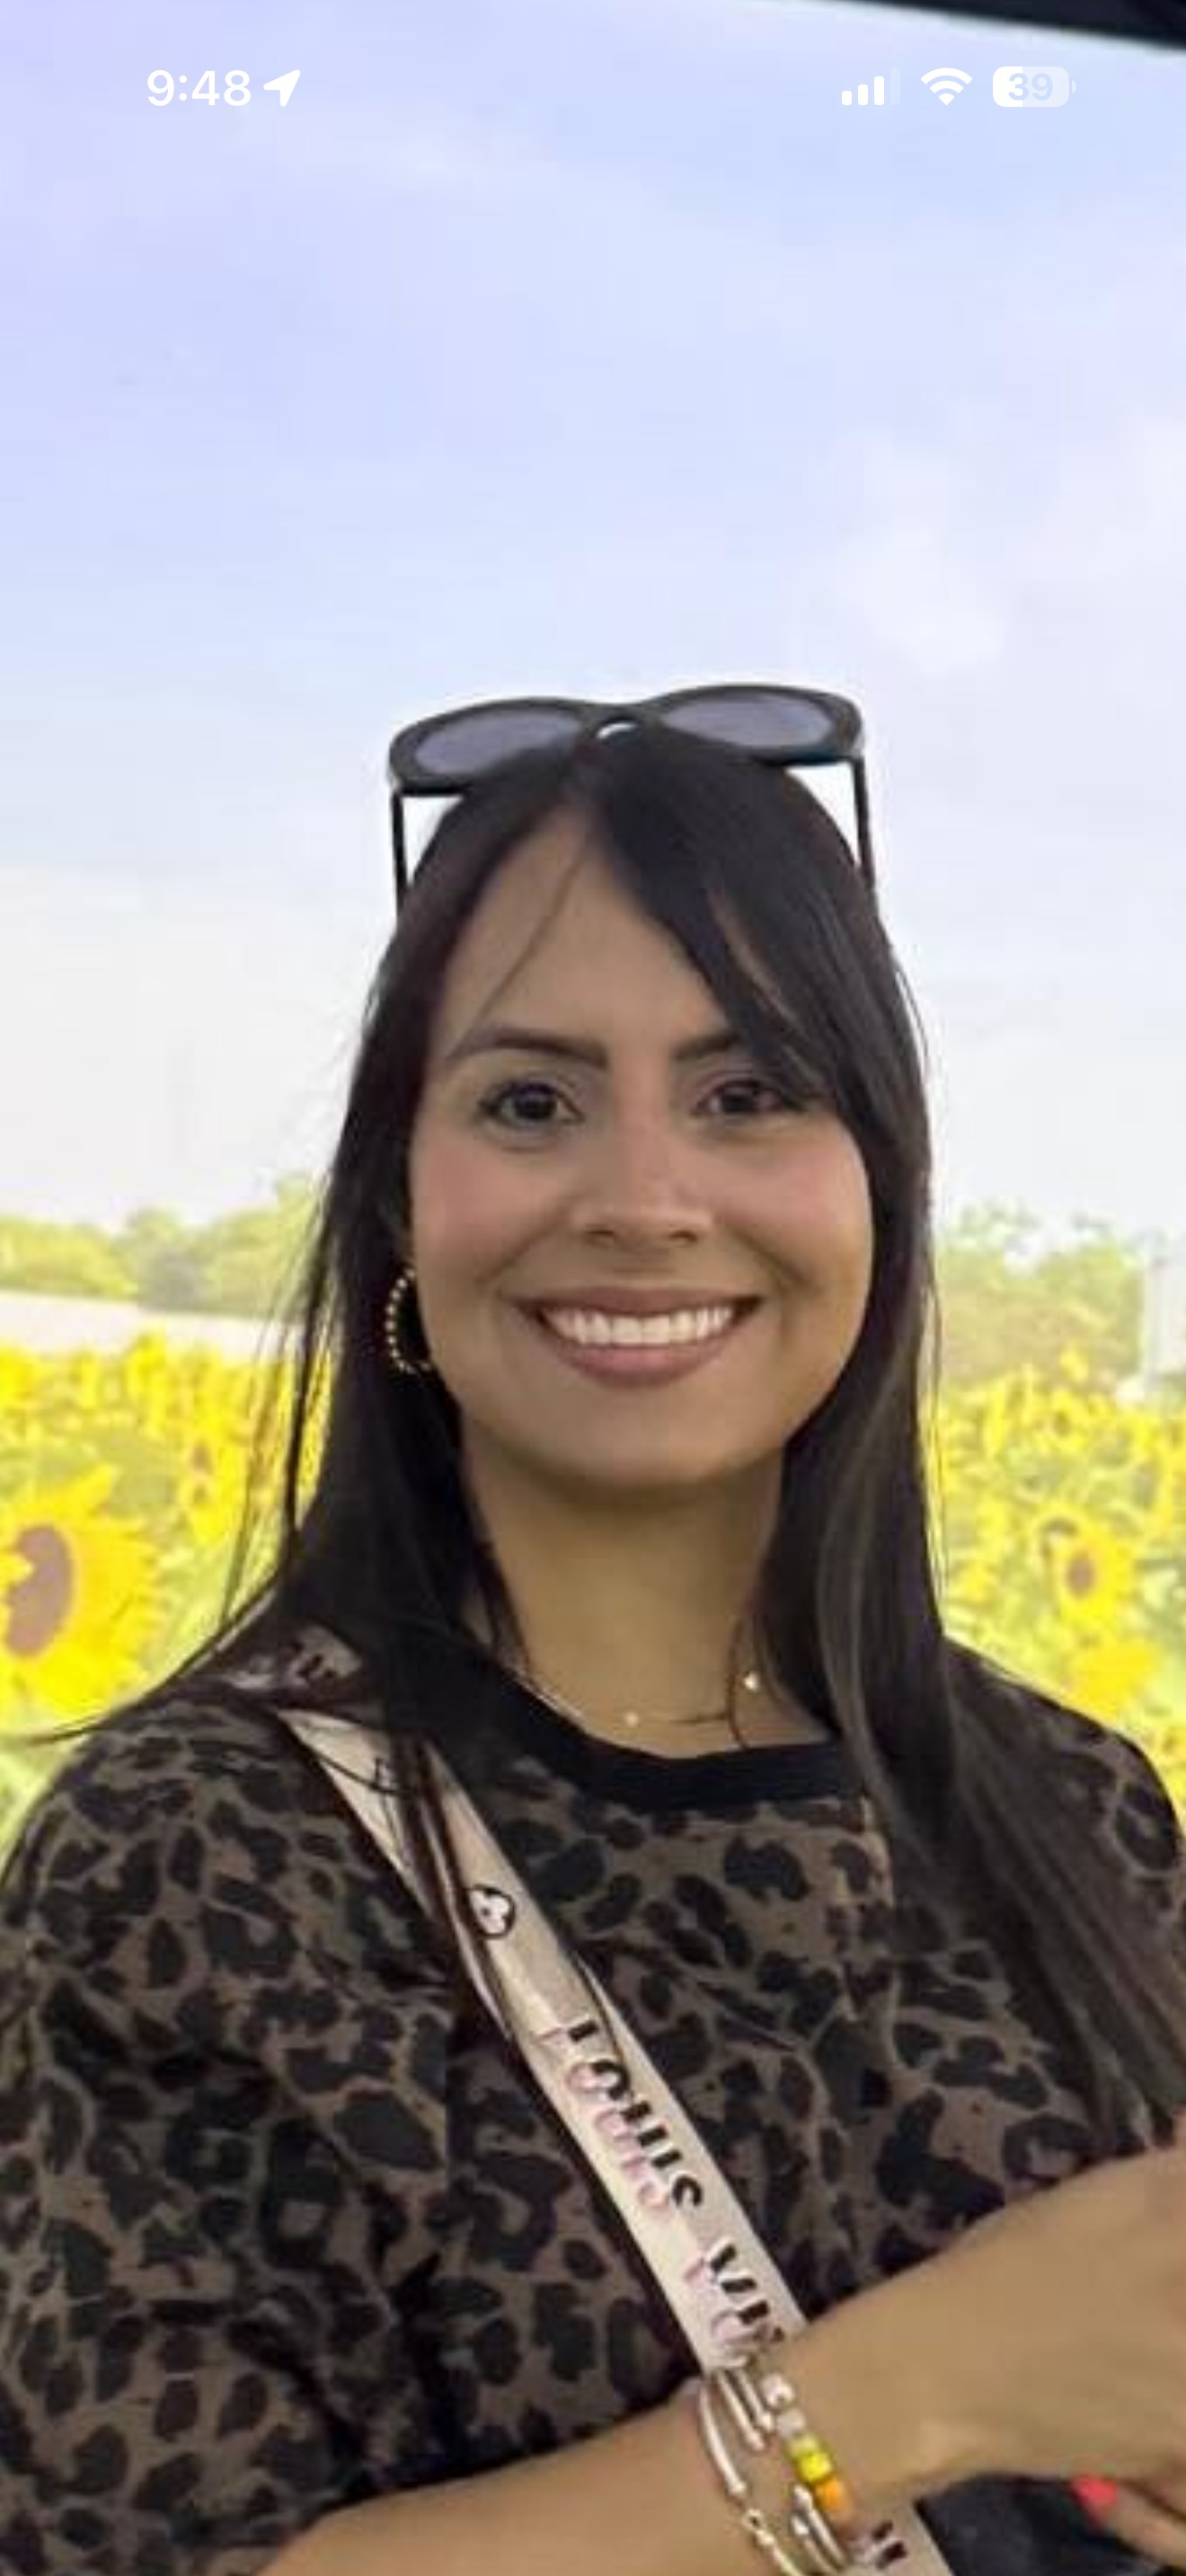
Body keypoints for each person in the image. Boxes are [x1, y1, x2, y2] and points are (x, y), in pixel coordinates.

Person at [4, 696, 1186, 2576]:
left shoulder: (1076, 1806)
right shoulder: (188, 1861)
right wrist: (916, 2392)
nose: (644, 1201)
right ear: (400, 1202)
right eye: (531, 1103)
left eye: (749, 1094)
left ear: (880, 1186)